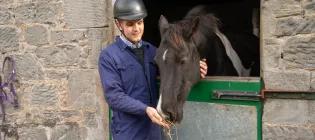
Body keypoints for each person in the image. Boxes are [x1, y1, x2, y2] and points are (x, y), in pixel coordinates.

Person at [98, 0, 208, 139]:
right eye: (130, 24)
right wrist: (145, 109)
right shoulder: (109, 56)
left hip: (154, 133)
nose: (136, 29)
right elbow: (114, 96)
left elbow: (173, 70)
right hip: (128, 133)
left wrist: (196, 68)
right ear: (119, 24)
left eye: (139, 22)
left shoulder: (153, 52)